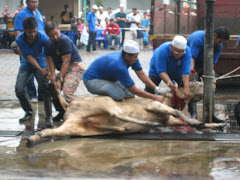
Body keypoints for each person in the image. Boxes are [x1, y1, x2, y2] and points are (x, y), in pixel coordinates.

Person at [83, 40, 164, 103]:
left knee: (129, 95)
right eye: (135, 57)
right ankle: (100, 105)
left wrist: (156, 88)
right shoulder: (119, 66)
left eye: (137, 56)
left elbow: (141, 74)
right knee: (119, 96)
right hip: (91, 81)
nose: (137, 59)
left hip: (106, 78)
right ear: (127, 56)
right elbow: (134, 89)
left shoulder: (132, 58)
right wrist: (154, 97)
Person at [15, 17, 53, 127]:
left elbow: (48, 55)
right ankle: (29, 112)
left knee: (45, 89)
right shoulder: (20, 39)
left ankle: (49, 116)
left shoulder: (43, 38)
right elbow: (28, 56)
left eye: (34, 31)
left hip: (41, 63)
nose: (32, 34)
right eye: (29, 32)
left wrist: (48, 70)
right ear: (24, 30)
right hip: (27, 63)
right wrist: (40, 69)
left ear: (37, 28)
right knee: (19, 89)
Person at [44, 21, 85, 122]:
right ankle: (62, 112)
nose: (55, 37)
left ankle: (80, 115)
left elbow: (66, 62)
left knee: (67, 92)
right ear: (47, 35)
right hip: (64, 70)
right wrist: (52, 75)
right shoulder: (49, 44)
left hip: (75, 67)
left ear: (59, 30)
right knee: (52, 87)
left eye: (56, 33)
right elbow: (49, 60)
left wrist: (60, 79)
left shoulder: (64, 41)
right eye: (51, 36)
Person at [187, 26, 230, 122]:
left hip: (204, 65)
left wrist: (211, 77)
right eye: (220, 41)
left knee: (211, 88)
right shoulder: (197, 39)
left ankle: (211, 114)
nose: (220, 44)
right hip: (191, 64)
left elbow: (212, 63)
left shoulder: (219, 46)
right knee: (193, 88)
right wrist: (191, 76)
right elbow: (191, 59)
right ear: (214, 35)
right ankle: (193, 114)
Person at [145, 36, 191, 104]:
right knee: (150, 88)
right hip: (157, 70)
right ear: (171, 47)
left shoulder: (187, 51)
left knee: (181, 91)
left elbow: (186, 71)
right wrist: (170, 84)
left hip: (176, 71)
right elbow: (161, 71)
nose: (179, 55)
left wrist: (187, 87)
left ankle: (178, 108)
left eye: (182, 53)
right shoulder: (163, 50)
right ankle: (147, 104)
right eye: (177, 52)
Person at [14, 0, 45, 102]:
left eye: (36, 1)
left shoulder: (39, 13)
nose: (35, 4)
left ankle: (42, 96)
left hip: (39, 47)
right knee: (28, 70)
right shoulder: (21, 14)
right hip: (26, 46)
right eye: (32, 2)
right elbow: (17, 30)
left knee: (42, 74)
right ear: (27, 2)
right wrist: (19, 46)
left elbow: (42, 29)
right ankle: (32, 95)